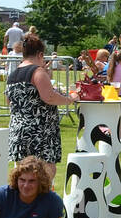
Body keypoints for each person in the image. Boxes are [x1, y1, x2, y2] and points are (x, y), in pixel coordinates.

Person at [6, 33, 78, 165]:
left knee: (22, 175)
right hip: (39, 132)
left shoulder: (12, 75)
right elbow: (49, 97)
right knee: (45, 173)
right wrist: (69, 99)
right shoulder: (38, 72)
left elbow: (9, 102)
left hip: (18, 130)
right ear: (40, 54)